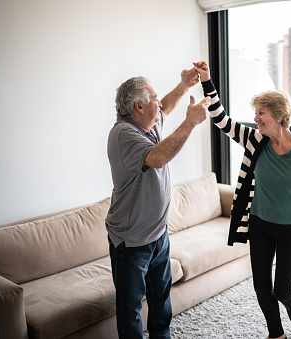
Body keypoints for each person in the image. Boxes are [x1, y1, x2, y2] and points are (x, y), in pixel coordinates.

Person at [193, 61, 291, 339]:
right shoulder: (255, 140)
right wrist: (207, 80)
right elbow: (221, 119)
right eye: (255, 113)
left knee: (282, 289)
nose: (256, 118)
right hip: (260, 224)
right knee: (262, 286)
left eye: (261, 113)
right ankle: (276, 334)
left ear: (278, 115)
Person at [105, 69, 209, 338]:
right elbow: (159, 158)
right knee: (131, 309)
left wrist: (184, 85)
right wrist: (191, 123)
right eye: (153, 98)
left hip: (158, 234)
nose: (159, 102)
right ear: (138, 106)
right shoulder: (124, 134)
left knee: (161, 302)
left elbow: (167, 105)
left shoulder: (147, 123)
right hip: (131, 241)